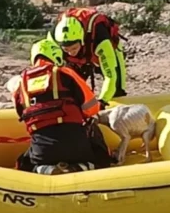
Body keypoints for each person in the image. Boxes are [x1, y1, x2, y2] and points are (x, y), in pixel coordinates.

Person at [13, 38, 112, 175]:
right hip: (76, 145)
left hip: (42, 150)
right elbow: (91, 108)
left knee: (25, 163)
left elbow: (21, 114)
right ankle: (84, 166)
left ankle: (43, 169)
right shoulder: (65, 73)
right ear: (56, 55)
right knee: (101, 155)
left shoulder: (21, 84)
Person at [49, 8, 128, 108]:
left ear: (81, 40)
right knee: (69, 88)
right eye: (66, 49)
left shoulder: (100, 37)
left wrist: (102, 101)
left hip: (106, 51)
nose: (71, 53)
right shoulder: (53, 38)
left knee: (117, 89)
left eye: (74, 48)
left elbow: (110, 76)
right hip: (80, 57)